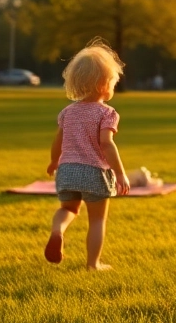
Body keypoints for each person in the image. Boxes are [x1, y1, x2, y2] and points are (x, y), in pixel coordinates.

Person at [44, 40, 132, 270]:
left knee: (68, 209)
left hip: (67, 170)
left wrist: (54, 161)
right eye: (113, 81)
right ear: (104, 84)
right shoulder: (107, 113)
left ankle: (57, 230)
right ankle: (93, 264)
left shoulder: (67, 112)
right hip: (94, 172)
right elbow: (107, 144)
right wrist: (120, 173)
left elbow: (58, 141)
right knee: (97, 220)